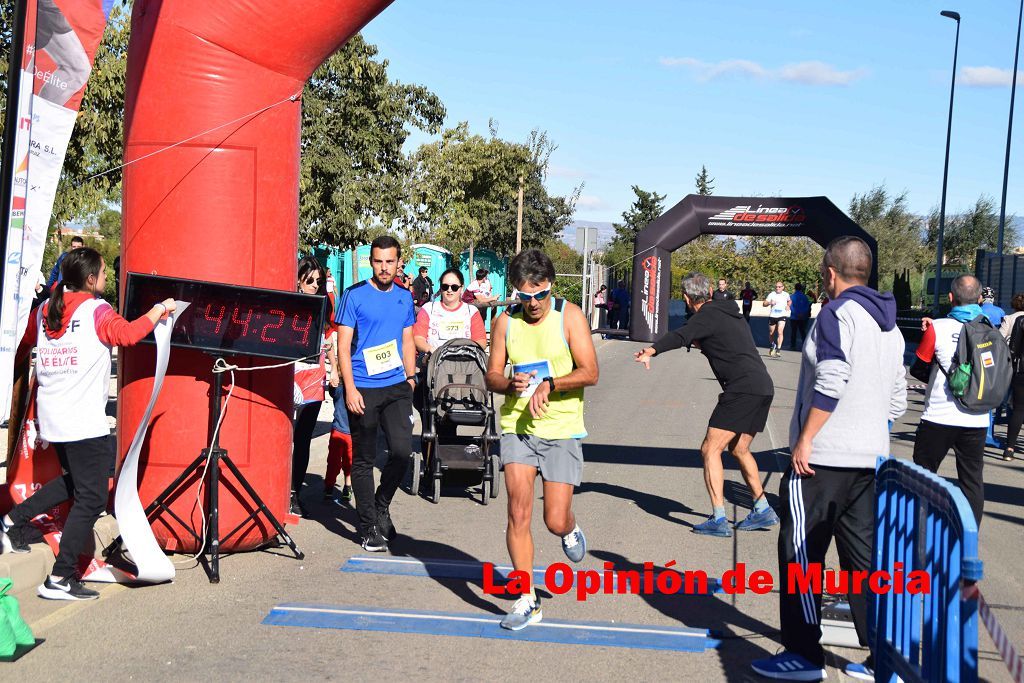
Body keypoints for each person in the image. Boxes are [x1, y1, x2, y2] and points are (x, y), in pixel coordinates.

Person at [752, 236, 906, 682]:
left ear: (831, 274)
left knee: (801, 554)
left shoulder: (837, 314)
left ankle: (802, 654)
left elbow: (833, 376)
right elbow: (897, 398)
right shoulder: (890, 326)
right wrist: (870, 427)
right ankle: (883, 660)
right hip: (870, 458)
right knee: (864, 562)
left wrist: (806, 438)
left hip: (821, 460)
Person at [0, 248, 175, 600]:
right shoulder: (98, 310)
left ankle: (11, 522)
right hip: (83, 421)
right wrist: (158, 312)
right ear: (91, 279)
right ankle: (60, 579)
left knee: (75, 484)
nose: (107, 279)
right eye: (103, 275)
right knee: (93, 498)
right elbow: (127, 335)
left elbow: (25, 346)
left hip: (53, 417)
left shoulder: (44, 310)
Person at [485, 248, 599, 630]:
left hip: (561, 428)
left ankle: (570, 527)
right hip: (517, 426)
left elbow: (590, 372)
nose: (533, 303)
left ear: (551, 287)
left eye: (540, 294)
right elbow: (492, 376)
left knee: (553, 519)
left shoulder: (570, 316)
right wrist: (509, 382)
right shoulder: (505, 322)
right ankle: (526, 598)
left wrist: (550, 384)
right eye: (524, 296)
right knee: (518, 511)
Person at [635, 272, 778, 538]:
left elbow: (681, 335)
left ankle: (718, 518)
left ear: (686, 298)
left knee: (710, 449)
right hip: (762, 386)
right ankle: (762, 508)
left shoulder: (706, 317)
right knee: (739, 448)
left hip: (742, 389)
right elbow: (717, 339)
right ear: (711, 290)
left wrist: (652, 350)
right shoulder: (728, 311)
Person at [335, 235, 417, 552]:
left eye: (390, 262)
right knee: (364, 459)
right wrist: (350, 388)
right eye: (379, 261)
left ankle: (381, 504)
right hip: (363, 388)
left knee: (400, 452)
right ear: (371, 262)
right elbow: (343, 346)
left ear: (399, 263)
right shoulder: (354, 296)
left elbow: (408, 339)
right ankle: (368, 527)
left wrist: (411, 379)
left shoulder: (403, 296)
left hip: (397, 386)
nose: (384, 268)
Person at [909, 275, 991, 526]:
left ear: (951, 298)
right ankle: (969, 535)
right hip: (977, 418)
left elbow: (918, 369)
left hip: (939, 417)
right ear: (980, 299)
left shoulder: (938, 327)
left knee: (923, 474)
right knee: (972, 481)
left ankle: (921, 528)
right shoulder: (989, 328)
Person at [290, 256, 336, 516]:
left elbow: (329, 335)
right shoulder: (288, 303)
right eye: (310, 281)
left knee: (303, 438)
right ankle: (278, 488)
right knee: (283, 437)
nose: (315, 286)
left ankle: (295, 492)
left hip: (313, 376)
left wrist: (335, 369)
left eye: (319, 282)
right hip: (288, 375)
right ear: (298, 280)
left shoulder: (323, 303)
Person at [413, 268, 486, 353]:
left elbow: (481, 340)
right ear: (440, 288)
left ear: (461, 288)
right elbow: (418, 338)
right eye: (445, 286)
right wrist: (429, 349)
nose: (449, 290)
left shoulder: (471, 311)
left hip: (464, 362)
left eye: (454, 287)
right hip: (433, 361)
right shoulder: (428, 309)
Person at [1001, 293, 1024, 461]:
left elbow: (1013, 348)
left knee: (1018, 409)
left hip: (1021, 370)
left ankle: (1009, 448)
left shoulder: (1018, 321)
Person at [763, 281, 791, 357]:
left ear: (783, 287)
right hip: (773, 316)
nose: (777, 288)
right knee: (771, 333)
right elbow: (764, 304)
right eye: (776, 287)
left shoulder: (786, 294)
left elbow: (789, 301)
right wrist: (769, 303)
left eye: (779, 287)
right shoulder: (771, 294)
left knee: (780, 331)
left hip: (782, 315)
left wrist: (788, 306)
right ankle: (773, 345)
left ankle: (778, 349)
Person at [788, 283, 812, 350]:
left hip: (794, 317)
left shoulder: (792, 296)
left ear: (795, 288)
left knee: (793, 332)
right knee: (803, 332)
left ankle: (793, 346)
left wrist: (795, 313)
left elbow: (791, 306)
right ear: (801, 288)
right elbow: (807, 306)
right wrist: (802, 313)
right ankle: (804, 346)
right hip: (803, 317)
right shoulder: (804, 297)